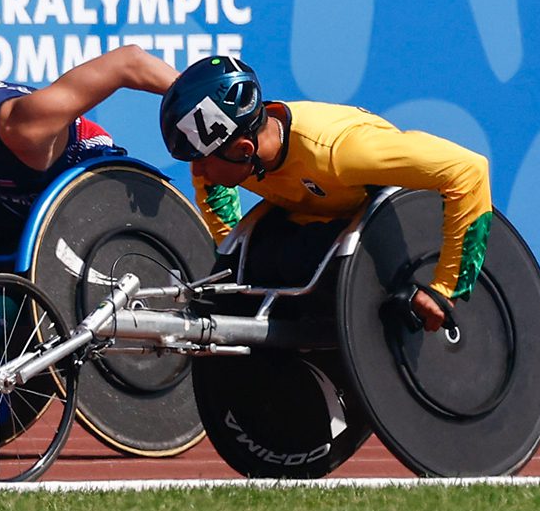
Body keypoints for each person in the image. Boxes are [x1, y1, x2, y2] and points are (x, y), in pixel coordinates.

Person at [0, 32, 180, 415]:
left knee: (16, 268)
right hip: (21, 201)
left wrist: (199, 101)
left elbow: (129, 62)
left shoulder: (21, 123)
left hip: (98, 207)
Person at [159, 56, 492, 332]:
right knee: (235, 287)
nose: (197, 172)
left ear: (245, 149)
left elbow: (468, 170)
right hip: (311, 227)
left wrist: (444, 289)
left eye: (201, 161)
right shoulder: (231, 156)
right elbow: (215, 195)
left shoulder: (341, 152)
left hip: (383, 239)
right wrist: (234, 261)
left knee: (299, 260)